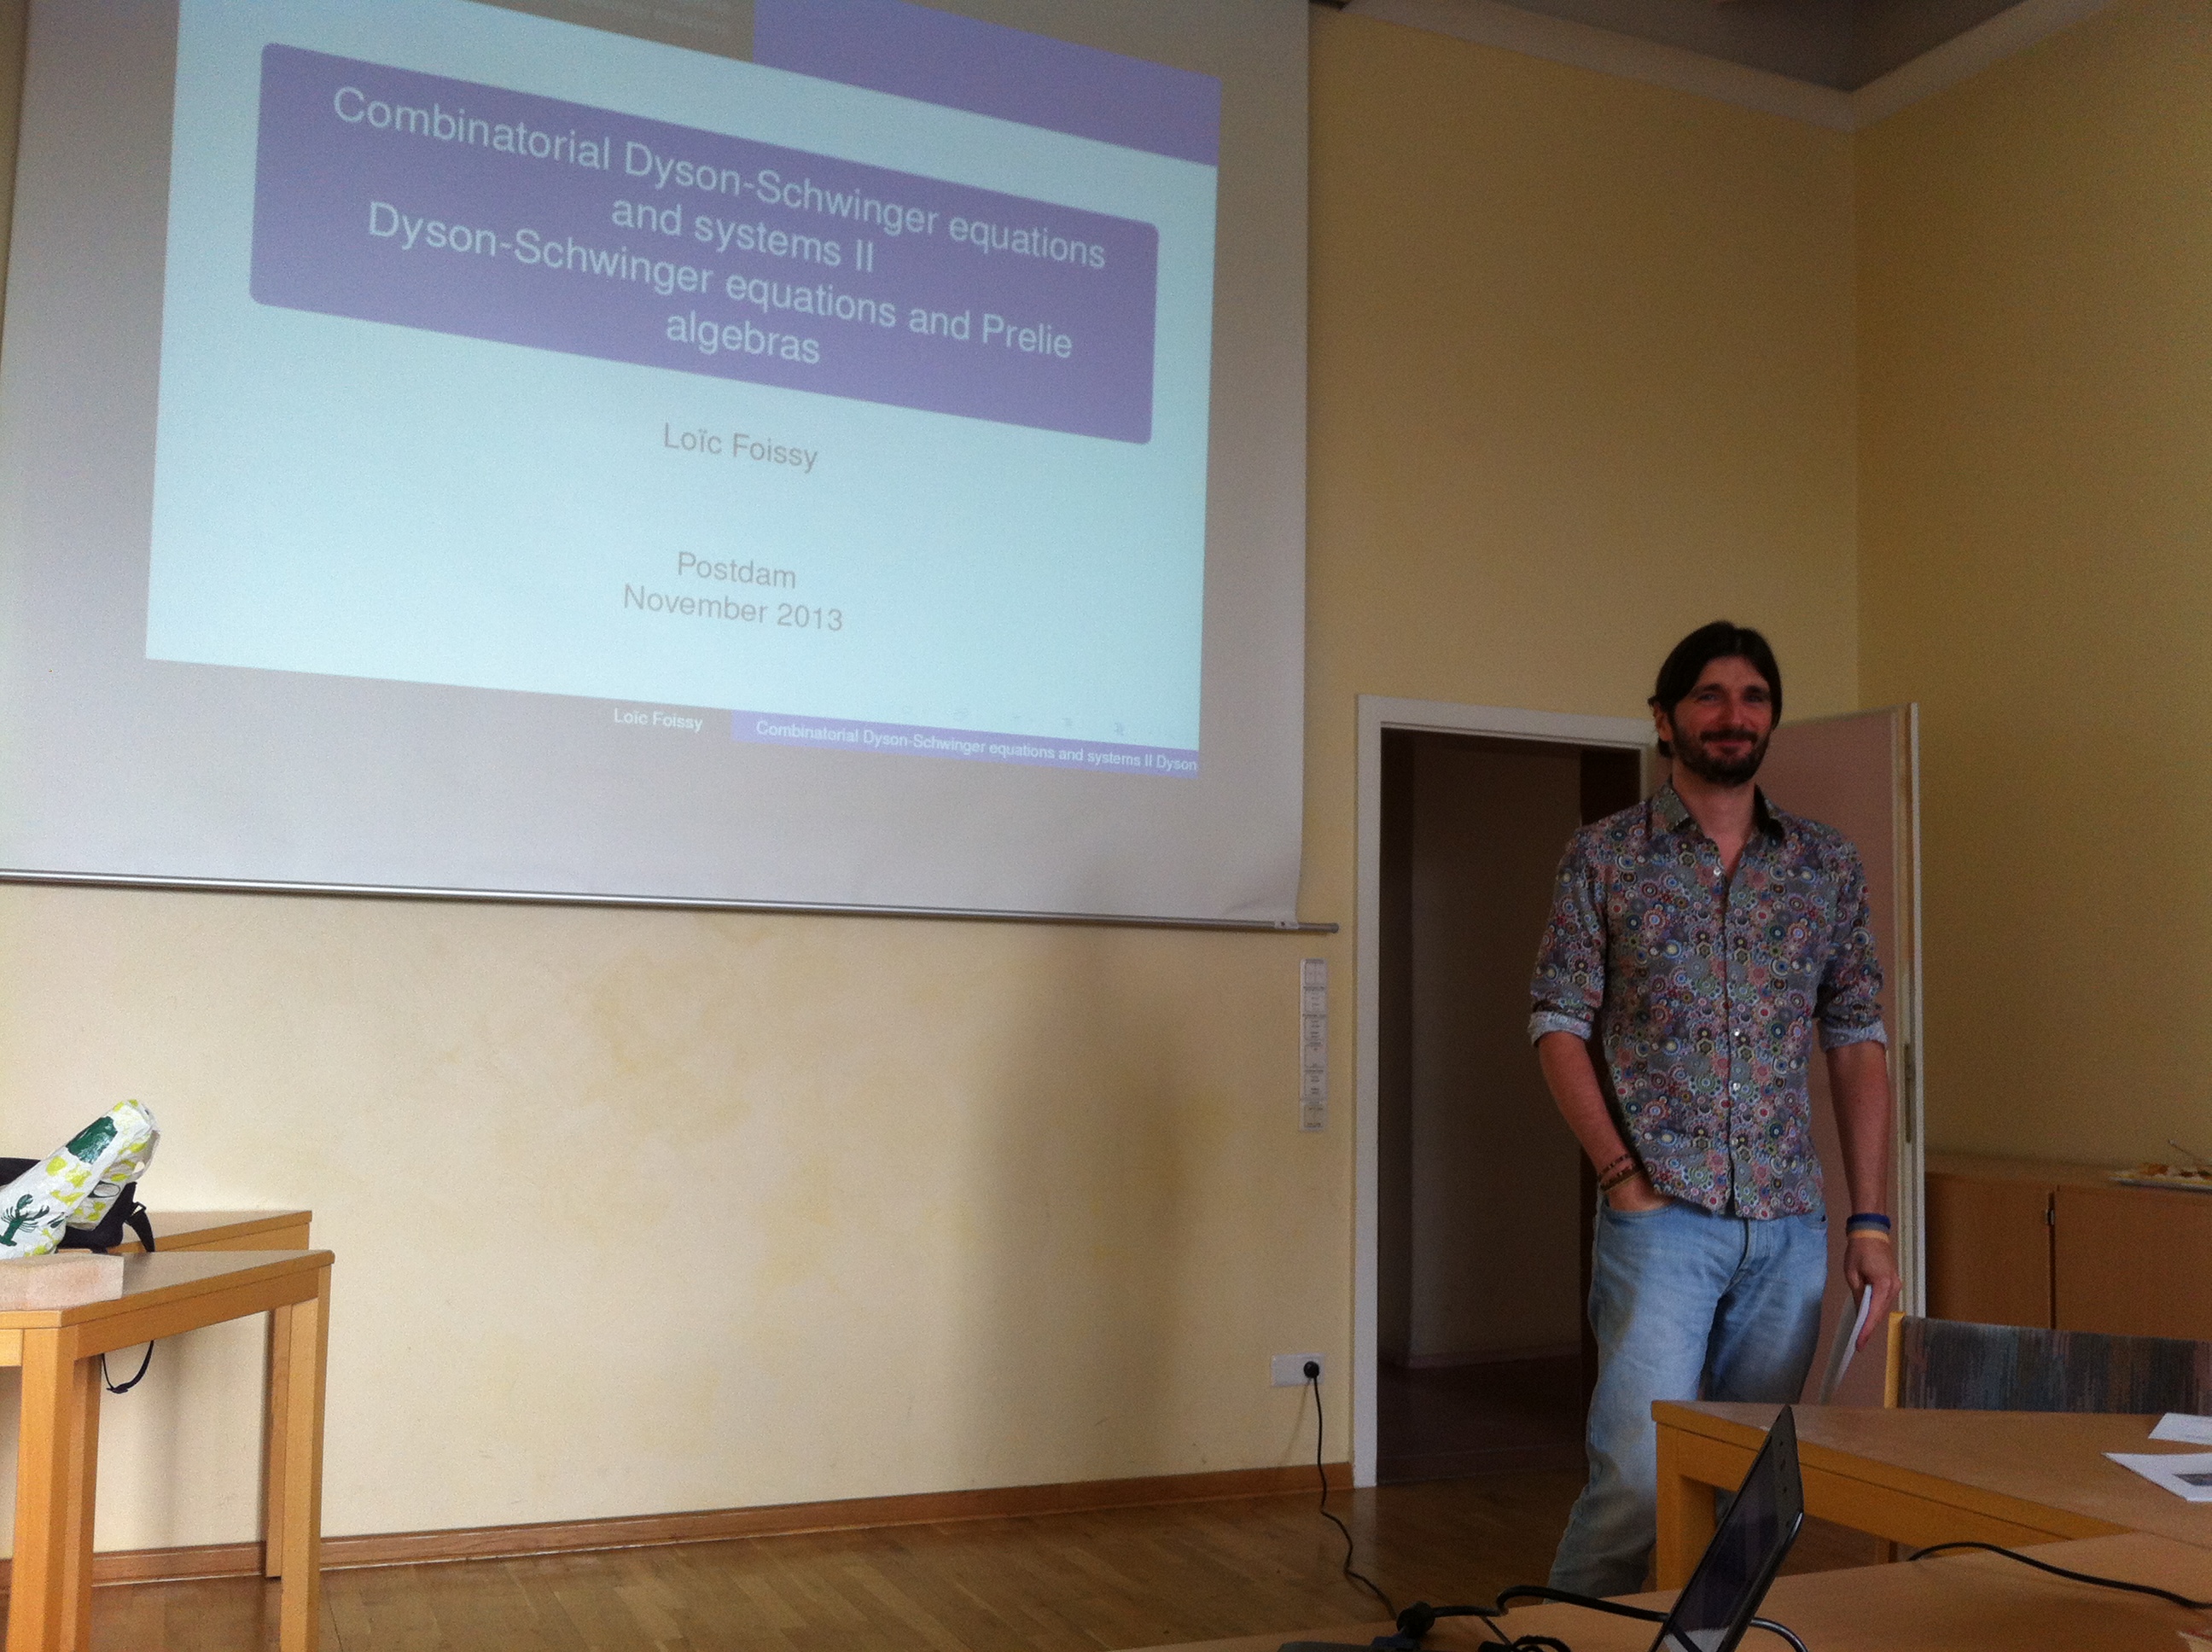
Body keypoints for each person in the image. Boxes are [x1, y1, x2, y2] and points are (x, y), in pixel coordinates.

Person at [1530, 620, 1900, 1597]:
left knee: (1747, 1490)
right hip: (1660, 1224)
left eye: (1754, 696)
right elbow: (1557, 1024)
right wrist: (1622, 1175)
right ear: (1665, 719)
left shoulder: (1824, 864)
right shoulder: (1606, 856)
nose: (1735, 714)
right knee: (1635, 1484)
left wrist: (1870, 1220)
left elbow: (1856, 1035)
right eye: (1710, 695)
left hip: (1788, 1228)